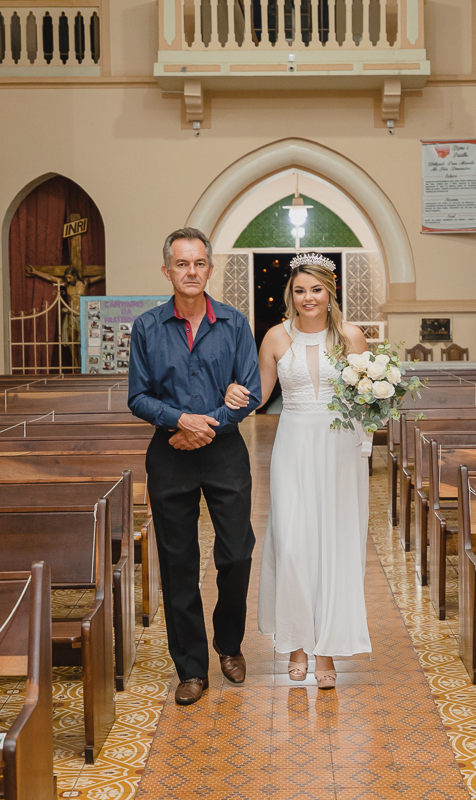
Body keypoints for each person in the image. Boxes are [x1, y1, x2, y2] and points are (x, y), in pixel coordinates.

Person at [223, 253, 371, 689]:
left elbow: (366, 398)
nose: (308, 298)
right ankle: (295, 645)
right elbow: (258, 396)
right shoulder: (275, 337)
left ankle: (326, 651)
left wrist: (382, 395)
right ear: (291, 294)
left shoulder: (351, 336)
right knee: (291, 543)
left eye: (316, 289)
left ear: (330, 292)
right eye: (300, 290)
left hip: (339, 448)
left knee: (334, 544)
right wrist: (231, 394)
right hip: (292, 446)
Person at [127, 227, 262, 706]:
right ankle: (191, 667)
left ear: (210, 268)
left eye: (199, 263)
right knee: (178, 560)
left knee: (237, 553)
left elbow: (251, 390)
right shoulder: (147, 327)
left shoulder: (234, 323)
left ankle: (229, 643)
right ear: (167, 270)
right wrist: (179, 420)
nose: (191, 271)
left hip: (224, 453)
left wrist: (207, 426)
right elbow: (138, 396)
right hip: (170, 454)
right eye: (182, 264)